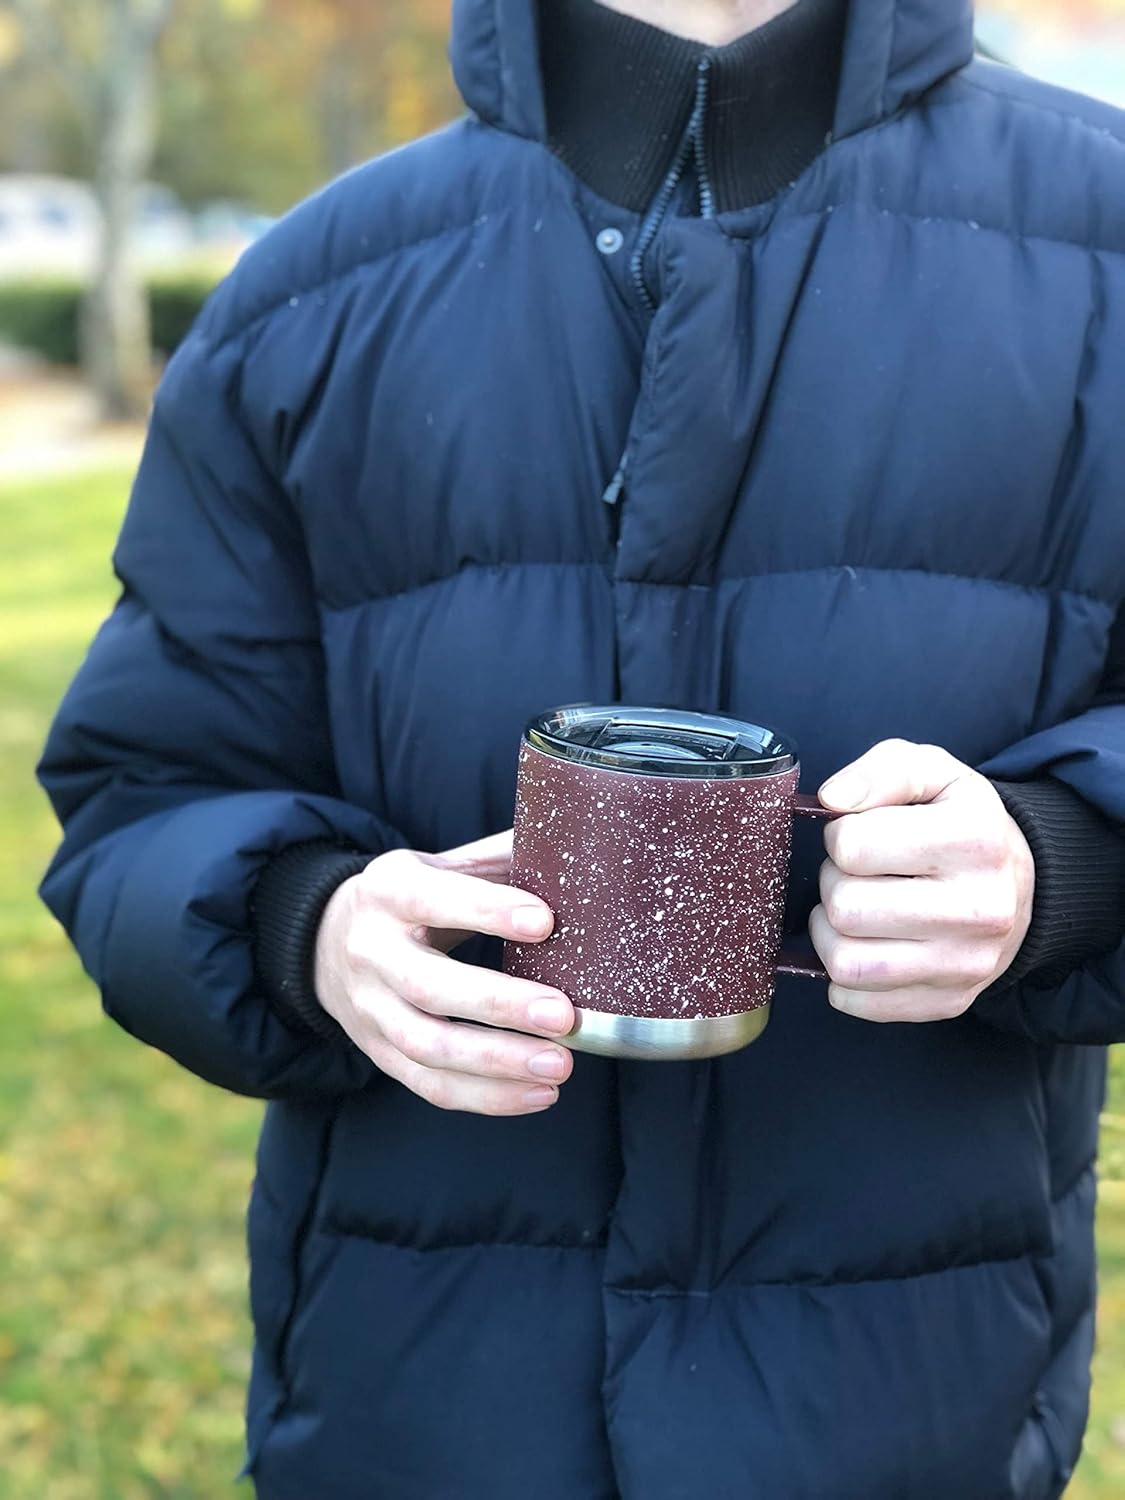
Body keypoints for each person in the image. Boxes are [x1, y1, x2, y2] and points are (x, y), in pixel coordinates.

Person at [37, 0, 1125, 1495]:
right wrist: (306, 926)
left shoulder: (1107, 239)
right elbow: (144, 795)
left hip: (906, 1405)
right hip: (410, 1398)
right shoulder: (312, 289)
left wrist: (1061, 863)